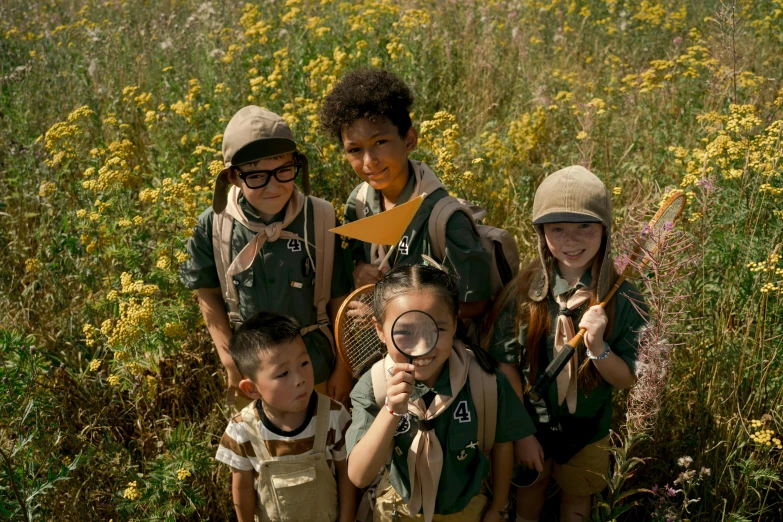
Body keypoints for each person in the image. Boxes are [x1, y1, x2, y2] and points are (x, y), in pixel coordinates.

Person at [487, 166, 647, 522]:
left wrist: (598, 344)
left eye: (585, 227)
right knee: (529, 496)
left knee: (576, 503)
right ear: (541, 233)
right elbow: (506, 364)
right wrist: (522, 433)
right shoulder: (522, 292)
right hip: (530, 424)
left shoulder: (624, 299)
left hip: (588, 430)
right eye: (557, 229)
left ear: (605, 230)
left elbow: (626, 379)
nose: (571, 241)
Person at [180, 105, 354, 408]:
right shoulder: (214, 224)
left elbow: (340, 299)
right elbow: (206, 294)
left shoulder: (321, 218)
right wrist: (230, 363)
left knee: (327, 448)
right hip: (252, 378)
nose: (273, 186)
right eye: (257, 176)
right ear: (234, 177)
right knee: (262, 453)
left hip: (317, 370)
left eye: (284, 171)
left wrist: (344, 366)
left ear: (297, 165)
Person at [346, 264, 536, 522]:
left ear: (456, 322)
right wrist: (391, 411)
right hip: (399, 508)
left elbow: (502, 446)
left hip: (467, 510)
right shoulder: (373, 386)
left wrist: (498, 506)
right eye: (405, 332)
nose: (423, 347)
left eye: (437, 329)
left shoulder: (485, 381)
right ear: (379, 330)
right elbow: (359, 476)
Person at [319, 68, 491, 320]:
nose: (369, 161)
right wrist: (358, 272)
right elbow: (350, 271)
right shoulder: (357, 204)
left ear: (409, 140)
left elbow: (476, 303)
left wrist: (390, 313)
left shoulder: (444, 218)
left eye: (380, 143)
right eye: (354, 149)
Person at [214, 312, 356, 522]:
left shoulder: (334, 416)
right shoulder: (242, 431)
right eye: (283, 374)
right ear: (252, 389)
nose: (299, 379)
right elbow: (242, 488)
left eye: (304, 363)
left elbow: (346, 476)